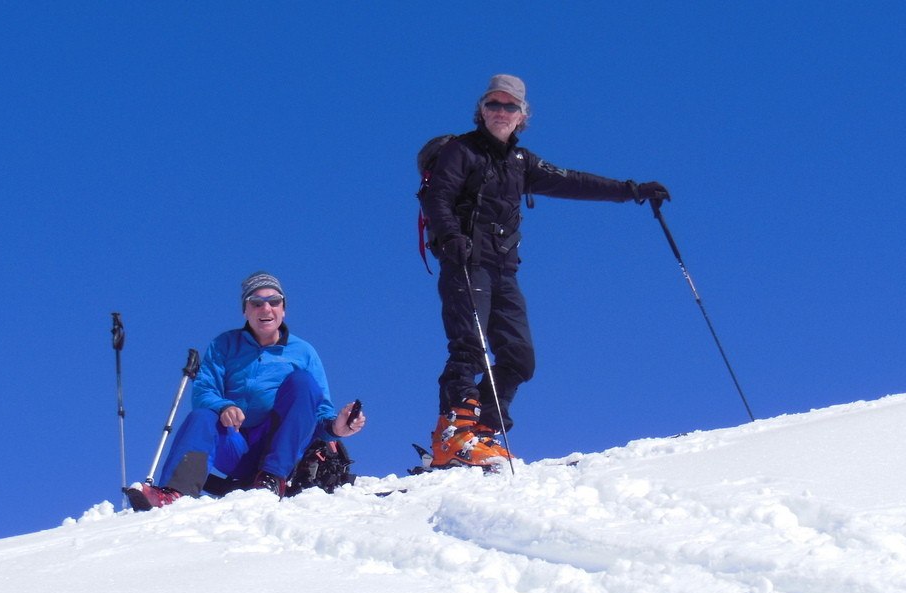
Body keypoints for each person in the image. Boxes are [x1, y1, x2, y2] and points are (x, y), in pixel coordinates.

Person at [420, 74, 669, 469]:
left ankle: (483, 430)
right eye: (494, 105)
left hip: (503, 269)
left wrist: (632, 190)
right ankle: (454, 435)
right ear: (481, 110)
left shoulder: (522, 162)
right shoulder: (461, 152)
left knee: (519, 358)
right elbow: (438, 196)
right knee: (469, 347)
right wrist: (451, 237)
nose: (501, 112)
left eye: (510, 106)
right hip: (467, 263)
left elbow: (573, 181)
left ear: (522, 116)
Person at [126, 271, 365, 511]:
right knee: (203, 415)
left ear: (284, 309)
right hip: (235, 446)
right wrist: (224, 406)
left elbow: (318, 410)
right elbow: (204, 390)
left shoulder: (303, 352)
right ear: (246, 310)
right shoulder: (224, 345)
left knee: (302, 382)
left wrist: (337, 427)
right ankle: (174, 493)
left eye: (274, 301)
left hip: (282, 449)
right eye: (256, 303)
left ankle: (271, 479)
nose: (266, 309)